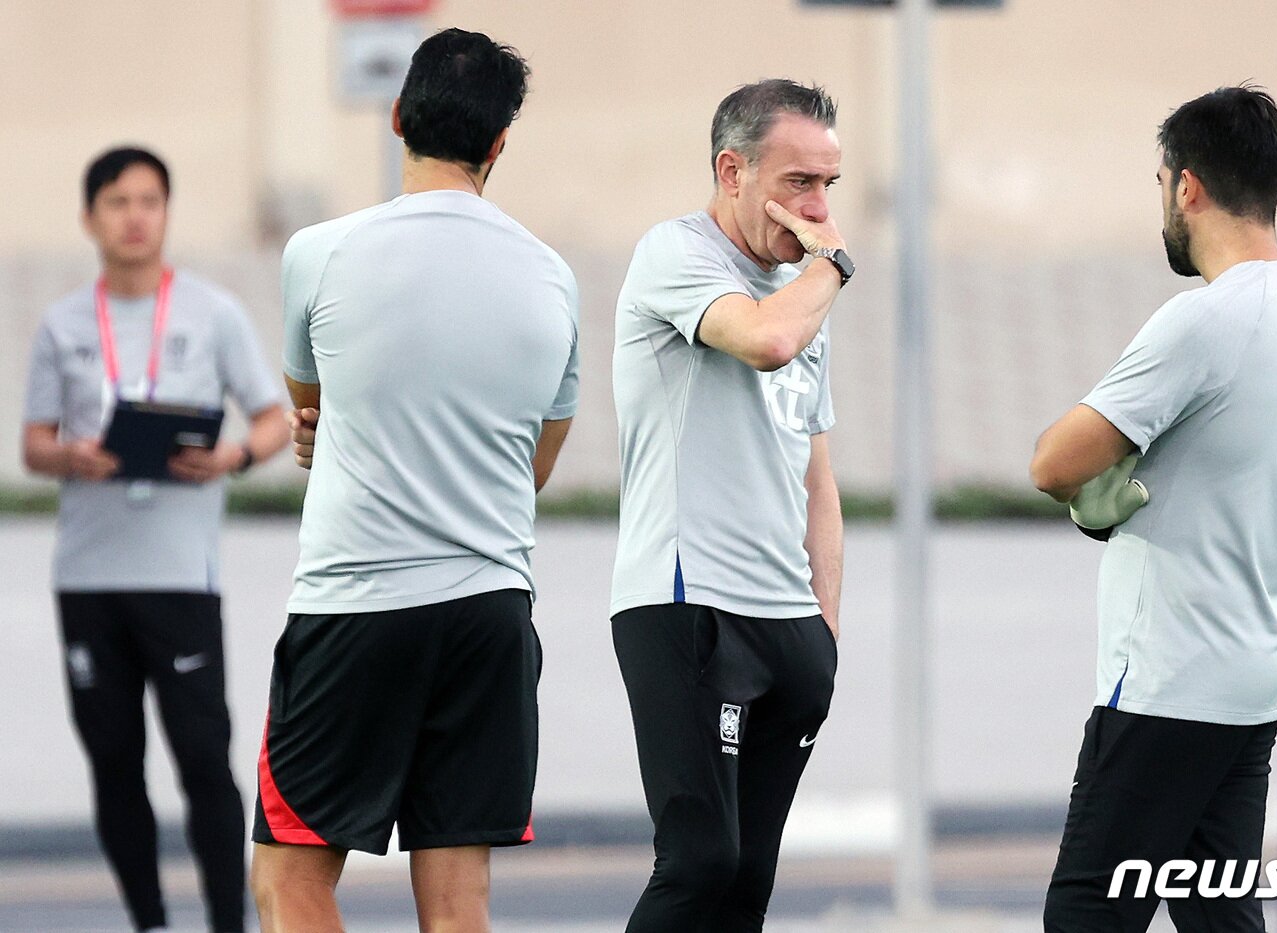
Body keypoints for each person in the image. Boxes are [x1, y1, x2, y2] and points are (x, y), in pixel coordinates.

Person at [248, 28, 579, 933]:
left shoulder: (319, 251)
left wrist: (337, 429)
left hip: (357, 600)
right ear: (500, 142)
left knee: (292, 876)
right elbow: (536, 464)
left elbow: (309, 402)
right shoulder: (553, 278)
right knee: (458, 896)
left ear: (398, 118)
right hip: (490, 610)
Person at [1031, 86, 1277, 932]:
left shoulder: (1202, 321)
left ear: (1188, 187)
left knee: (1087, 910)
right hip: (1250, 671)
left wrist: (1109, 468)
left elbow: (1053, 464)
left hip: (1171, 676)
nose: (1161, 199)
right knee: (1218, 917)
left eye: (1161, 180)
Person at [20, 146, 287, 933]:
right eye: (117, 201)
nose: (135, 216)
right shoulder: (64, 323)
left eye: (149, 200)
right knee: (114, 763)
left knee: (205, 759)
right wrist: (67, 455)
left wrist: (233, 455)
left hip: (180, 576)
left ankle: (228, 923)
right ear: (90, 218)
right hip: (89, 578)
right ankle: (149, 921)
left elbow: (272, 416)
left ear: (166, 213)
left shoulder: (213, 312)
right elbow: (32, 443)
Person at [610, 79, 851, 932]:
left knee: (747, 879)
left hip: (788, 624)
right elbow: (764, 340)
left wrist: (823, 627)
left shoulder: (807, 291)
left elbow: (817, 479)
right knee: (700, 858)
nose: (818, 208)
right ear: (733, 171)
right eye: (798, 183)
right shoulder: (675, 254)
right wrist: (831, 264)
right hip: (688, 605)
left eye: (829, 183)